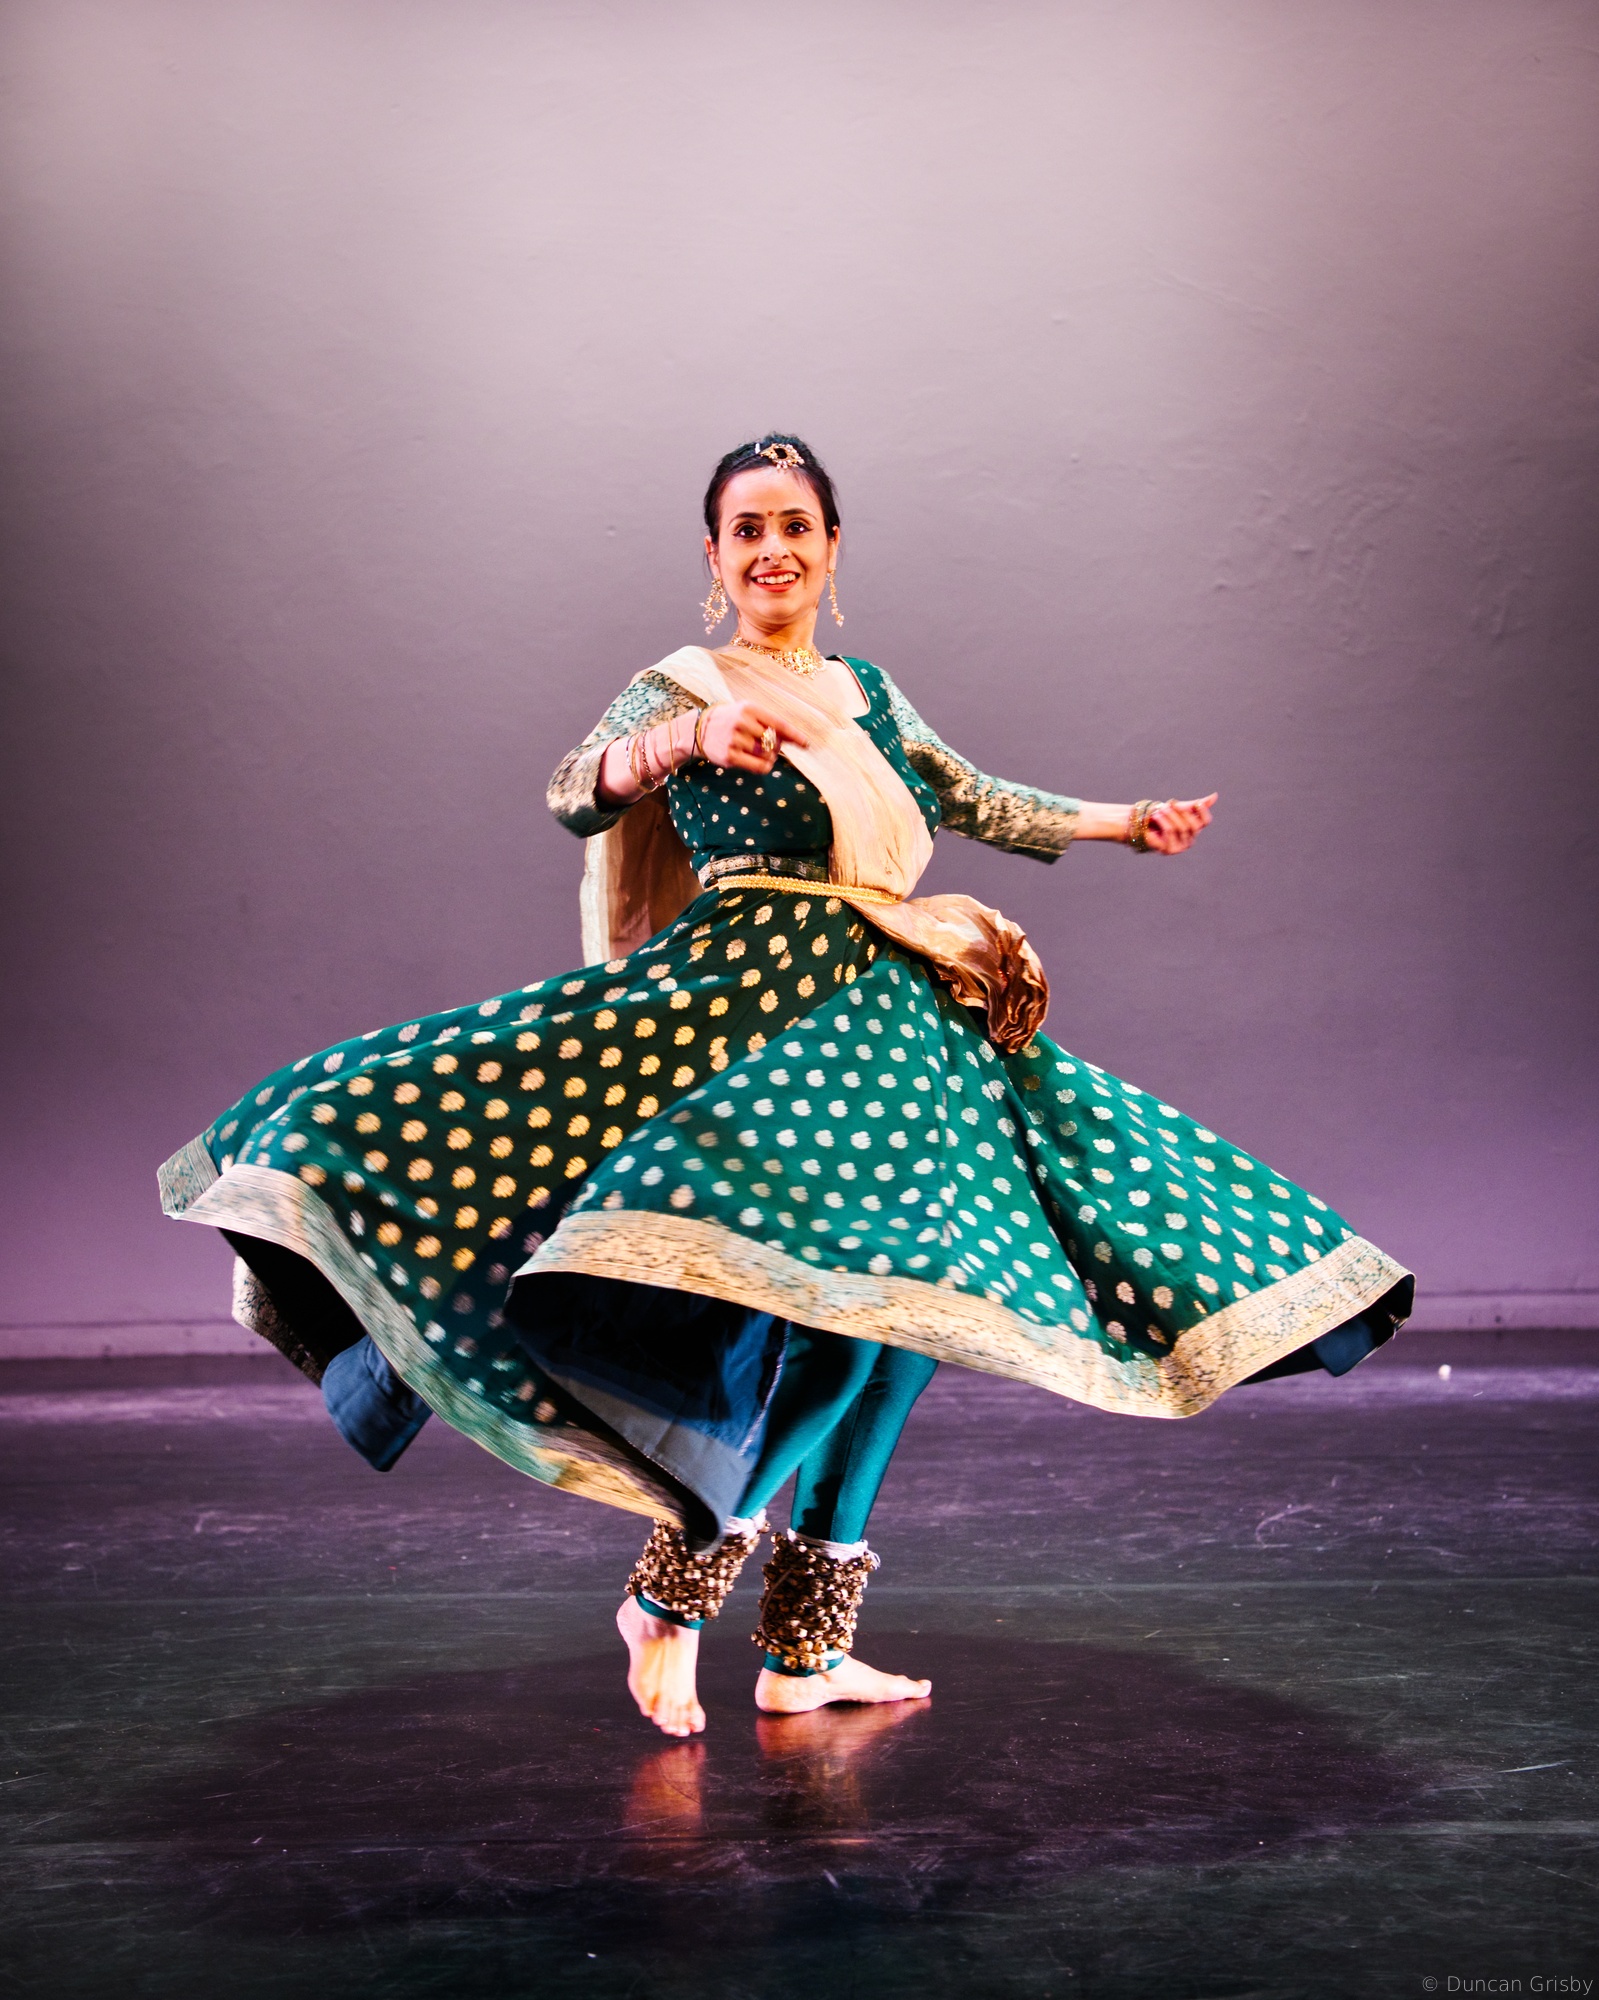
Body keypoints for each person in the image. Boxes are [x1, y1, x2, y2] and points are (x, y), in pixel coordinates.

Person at [160, 434, 1413, 1740]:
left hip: (900, 1020)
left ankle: (806, 1654)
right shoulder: (680, 686)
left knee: (909, 1325)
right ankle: (672, 1595)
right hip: (759, 1015)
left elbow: (968, 796)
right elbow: (573, 793)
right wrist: (686, 738)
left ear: (831, 548)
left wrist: (1125, 822)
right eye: (748, 530)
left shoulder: (867, 693)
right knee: (834, 1320)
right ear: (715, 558)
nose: (774, 549)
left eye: (797, 525)